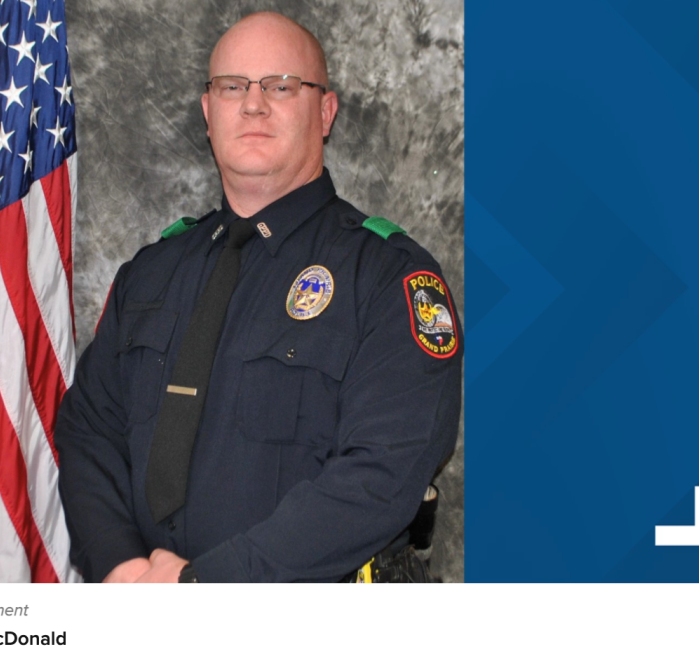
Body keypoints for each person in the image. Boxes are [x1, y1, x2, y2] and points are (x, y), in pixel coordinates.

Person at [54, 11, 462, 583]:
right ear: (208, 112)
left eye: (282, 86)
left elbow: (380, 477)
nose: (253, 104)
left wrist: (206, 587)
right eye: (232, 87)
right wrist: (121, 565)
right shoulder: (151, 274)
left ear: (325, 112)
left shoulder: (388, 278)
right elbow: (88, 430)